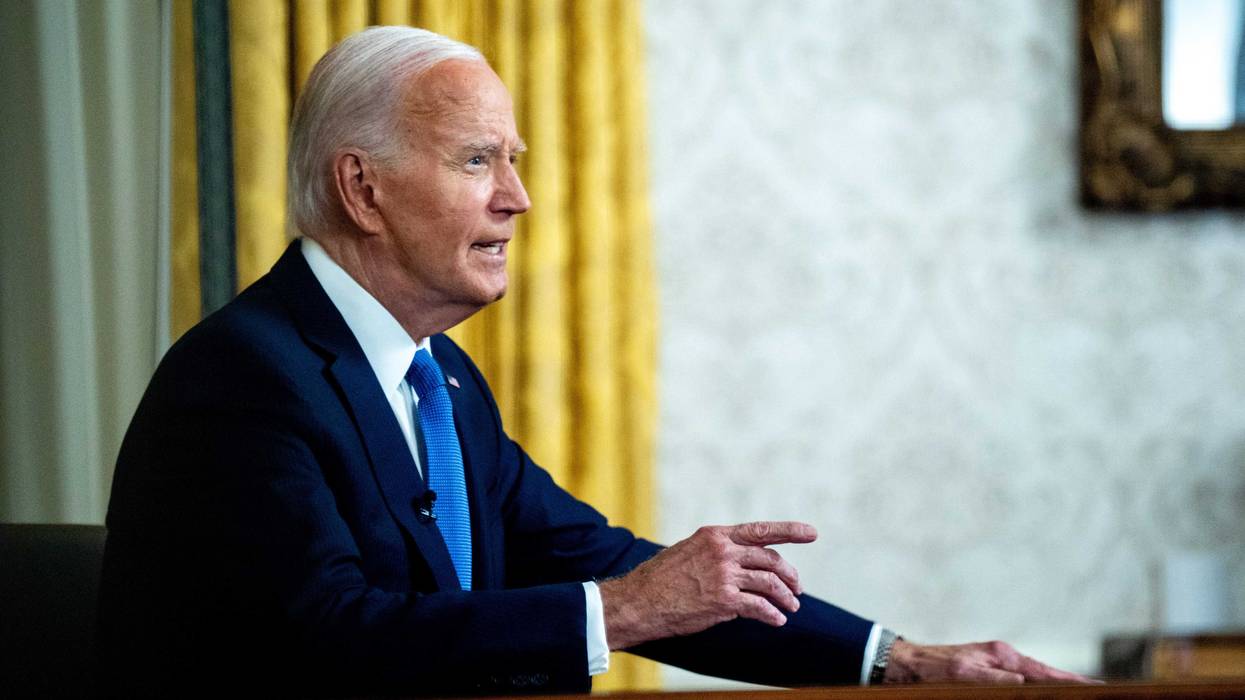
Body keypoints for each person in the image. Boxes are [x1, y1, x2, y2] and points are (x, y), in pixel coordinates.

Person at [99, 26, 1090, 697]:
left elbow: (605, 563)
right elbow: (333, 640)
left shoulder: (437, 377)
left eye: (515, 160)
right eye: (478, 160)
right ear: (362, 187)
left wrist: (897, 662)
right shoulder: (241, 381)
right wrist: (622, 610)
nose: (517, 199)